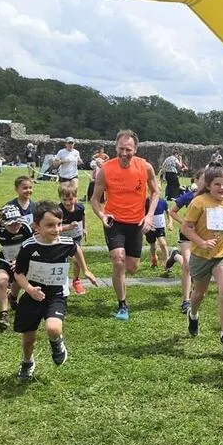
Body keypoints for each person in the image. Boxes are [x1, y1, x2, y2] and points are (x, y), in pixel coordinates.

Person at [13, 201, 99, 382]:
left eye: (59, 224)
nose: (57, 229)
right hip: (33, 295)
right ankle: (27, 362)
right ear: (36, 226)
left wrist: (85, 270)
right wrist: (29, 289)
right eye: (50, 225)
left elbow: (76, 250)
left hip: (55, 295)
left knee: (53, 327)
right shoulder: (29, 246)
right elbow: (18, 273)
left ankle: (57, 344)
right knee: (28, 338)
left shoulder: (66, 242)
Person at [91, 129, 160, 321]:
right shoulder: (106, 169)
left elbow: (155, 192)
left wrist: (149, 216)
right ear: (115, 148)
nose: (124, 153)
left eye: (128, 149)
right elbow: (94, 199)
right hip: (114, 221)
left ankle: (122, 285)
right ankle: (122, 304)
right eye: (121, 149)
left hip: (136, 222)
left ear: (135, 149)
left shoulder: (145, 167)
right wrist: (101, 215)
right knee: (118, 259)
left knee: (132, 267)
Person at [181, 165, 223, 351]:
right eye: (218, 184)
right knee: (199, 294)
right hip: (201, 256)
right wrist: (200, 242)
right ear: (208, 185)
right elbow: (186, 228)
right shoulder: (199, 202)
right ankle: (193, 315)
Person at [165, 171, 202, 314]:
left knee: (194, 265)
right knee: (187, 265)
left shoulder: (210, 198)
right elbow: (172, 211)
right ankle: (186, 301)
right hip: (187, 234)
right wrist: (184, 223)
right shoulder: (189, 196)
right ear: (196, 180)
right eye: (201, 179)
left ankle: (175, 255)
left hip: (201, 235)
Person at [58, 183, 89, 295]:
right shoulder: (59, 211)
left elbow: (83, 215)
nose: (67, 202)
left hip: (76, 237)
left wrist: (85, 228)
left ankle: (76, 281)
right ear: (60, 198)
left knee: (77, 261)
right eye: (64, 199)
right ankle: (61, 283)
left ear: (76, 197)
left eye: (70, 199)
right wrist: (68, 227)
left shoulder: (80, 207)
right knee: (62, 261)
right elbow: (56, 228)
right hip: (61, 239)